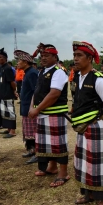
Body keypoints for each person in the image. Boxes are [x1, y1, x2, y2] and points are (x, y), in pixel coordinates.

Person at [70, 41, 103, 205]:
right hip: (82, 128)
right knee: (83, 161)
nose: (75, 59)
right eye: (74, 56)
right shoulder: (77, 77)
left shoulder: (98, 80)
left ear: (89, 58)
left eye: (79, 56)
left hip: (95, 126)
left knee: (97, 163)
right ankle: (88, 193)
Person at [28, 44, 70, 184]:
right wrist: (31, 107)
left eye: (47, 56)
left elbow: (54, 94)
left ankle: (63, 172)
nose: (43, 59)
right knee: (46, 143)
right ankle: (52, 167)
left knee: (58, 144)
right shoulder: (42, 71)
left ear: (55, 57)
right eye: (42, 56)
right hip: (42, 113)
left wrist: (37, 109)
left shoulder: (59, 72)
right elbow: (37, 91)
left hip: (55, 114)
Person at [14, 50, 39, 164]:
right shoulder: (27, 72)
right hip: (26, 106)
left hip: (30, 107)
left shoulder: (32, 73)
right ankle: (31, 149)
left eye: (19, 60)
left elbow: (36, 91)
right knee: (28, 130)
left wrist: (33, 107)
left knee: (34, 131)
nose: (18, 63)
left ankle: (37, 153)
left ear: (25, 62)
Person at [0, 50, 18, 138]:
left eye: (0, 57)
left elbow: (12, 82)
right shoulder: (1, 68)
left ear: (5, 58)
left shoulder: (8, 68)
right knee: (4, 112)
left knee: (10, 112)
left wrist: (14, 91)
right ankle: (8, 128)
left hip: (8, 94)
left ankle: (12, 131)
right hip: (2, 94)